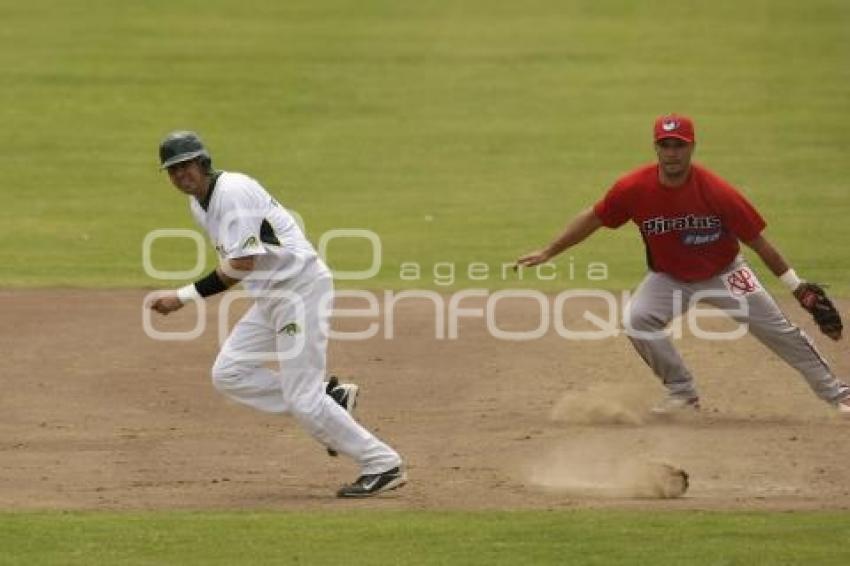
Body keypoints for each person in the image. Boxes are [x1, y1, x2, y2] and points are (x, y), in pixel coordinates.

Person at [516, 114, 850, 415]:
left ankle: (838, 395)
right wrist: (550, 251)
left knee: (779, 332)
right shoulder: (634, 188)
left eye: (679, 145)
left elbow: (758, 242)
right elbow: (595, 217)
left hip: (727, 273)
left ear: (692, 148)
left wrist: (795, 285)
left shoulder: (717, 191)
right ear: (656, 148)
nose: (672, 152)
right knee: (637, 320)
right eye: (666, 145)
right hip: (670, 278)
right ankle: (682, 393)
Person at [148, 130, 406, 497]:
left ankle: (382, 463)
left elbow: (240, 263)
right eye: (172, 170)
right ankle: (329, 400)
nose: (180, 176)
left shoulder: (232, 192)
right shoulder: (199, 204)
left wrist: (182, 297)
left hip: (299, 290)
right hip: (271, 296)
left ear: (203, 163)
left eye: (185, 166)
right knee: (230, 374)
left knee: (303, 400)